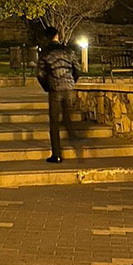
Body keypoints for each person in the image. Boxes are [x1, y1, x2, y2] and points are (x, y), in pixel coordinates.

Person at [36, 26, 82, 163]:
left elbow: (40, 74)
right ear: (57, 35)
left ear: (46, 37)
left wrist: (47, 86)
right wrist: (72, 81)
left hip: (54, 88)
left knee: (54, 122)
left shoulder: (45, 52)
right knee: (67, 116)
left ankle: (56, 154)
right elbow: (77, 69)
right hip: (68, 87)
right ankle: (75, 139)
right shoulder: (68, 50)